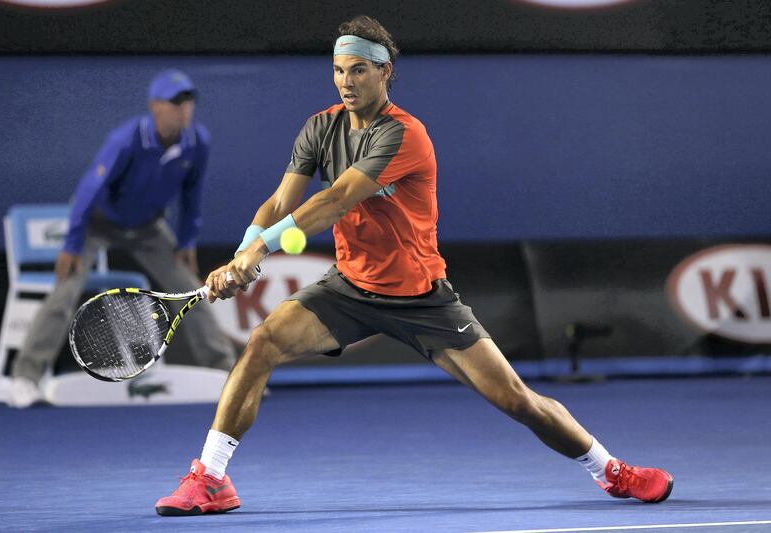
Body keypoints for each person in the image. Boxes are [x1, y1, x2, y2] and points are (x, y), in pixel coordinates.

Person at [154, 16, 673, 516]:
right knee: (263, 342)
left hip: (422, 297)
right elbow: (279, 202)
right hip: (350, 288)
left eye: (359, 69)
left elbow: (335, 200)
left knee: (517, 401)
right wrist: (245, 247)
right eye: (339, 70)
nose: (347, 81)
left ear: (385, 71)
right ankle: (211, 478)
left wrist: (259, 251)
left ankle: (611, 470)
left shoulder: (403, 135)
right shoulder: (319, 128)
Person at [7, 68, 236, 408]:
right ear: (155, 106)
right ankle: (25, 379)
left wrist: (187, 240)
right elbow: (88, 191)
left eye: (188, 101)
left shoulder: (197, 142)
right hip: (97, 223)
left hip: (147, 228)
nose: (183, 109)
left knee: (192, 289)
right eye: (175, 102)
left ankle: (230, 375)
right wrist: (71, 243)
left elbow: (192, 196)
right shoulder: (127, 139)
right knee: (66, 291)